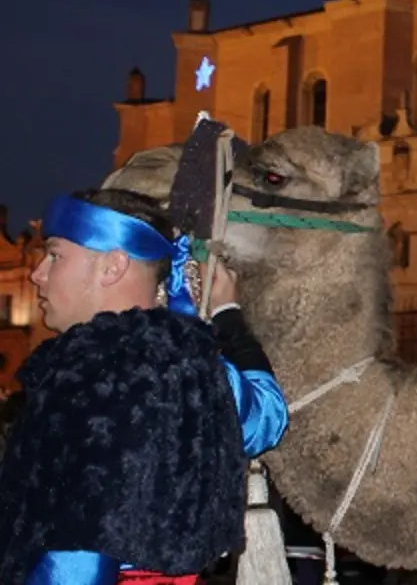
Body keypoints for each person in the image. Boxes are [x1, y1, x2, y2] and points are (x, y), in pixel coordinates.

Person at [0, 189, 288, 584]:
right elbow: (267, 418)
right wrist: (227, 313)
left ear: (113, 266)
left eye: (55, 255)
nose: (38, 273)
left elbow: (77, 551)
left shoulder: (94, 375)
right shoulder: (192, 365)